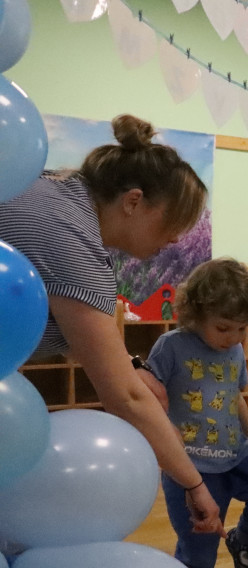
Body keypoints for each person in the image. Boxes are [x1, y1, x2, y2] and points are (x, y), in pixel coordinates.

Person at [0, 114, 224, 536]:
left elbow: (84, 340)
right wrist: (194, 484)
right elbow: (126, 398)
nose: (177, 238)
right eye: (174, 221)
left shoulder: (53, 190)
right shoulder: (74, 243)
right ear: (133, 201)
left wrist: (133, 366)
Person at [146, 257, 248, 568]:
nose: (234, 337)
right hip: (191, 466)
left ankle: (243, 539)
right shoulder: (171, 346)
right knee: (198, 553)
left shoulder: (235, 350)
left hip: (237, 455)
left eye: (242, 328)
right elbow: (148, 396)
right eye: (224, 328)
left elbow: (235, 397)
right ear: (196, 313)